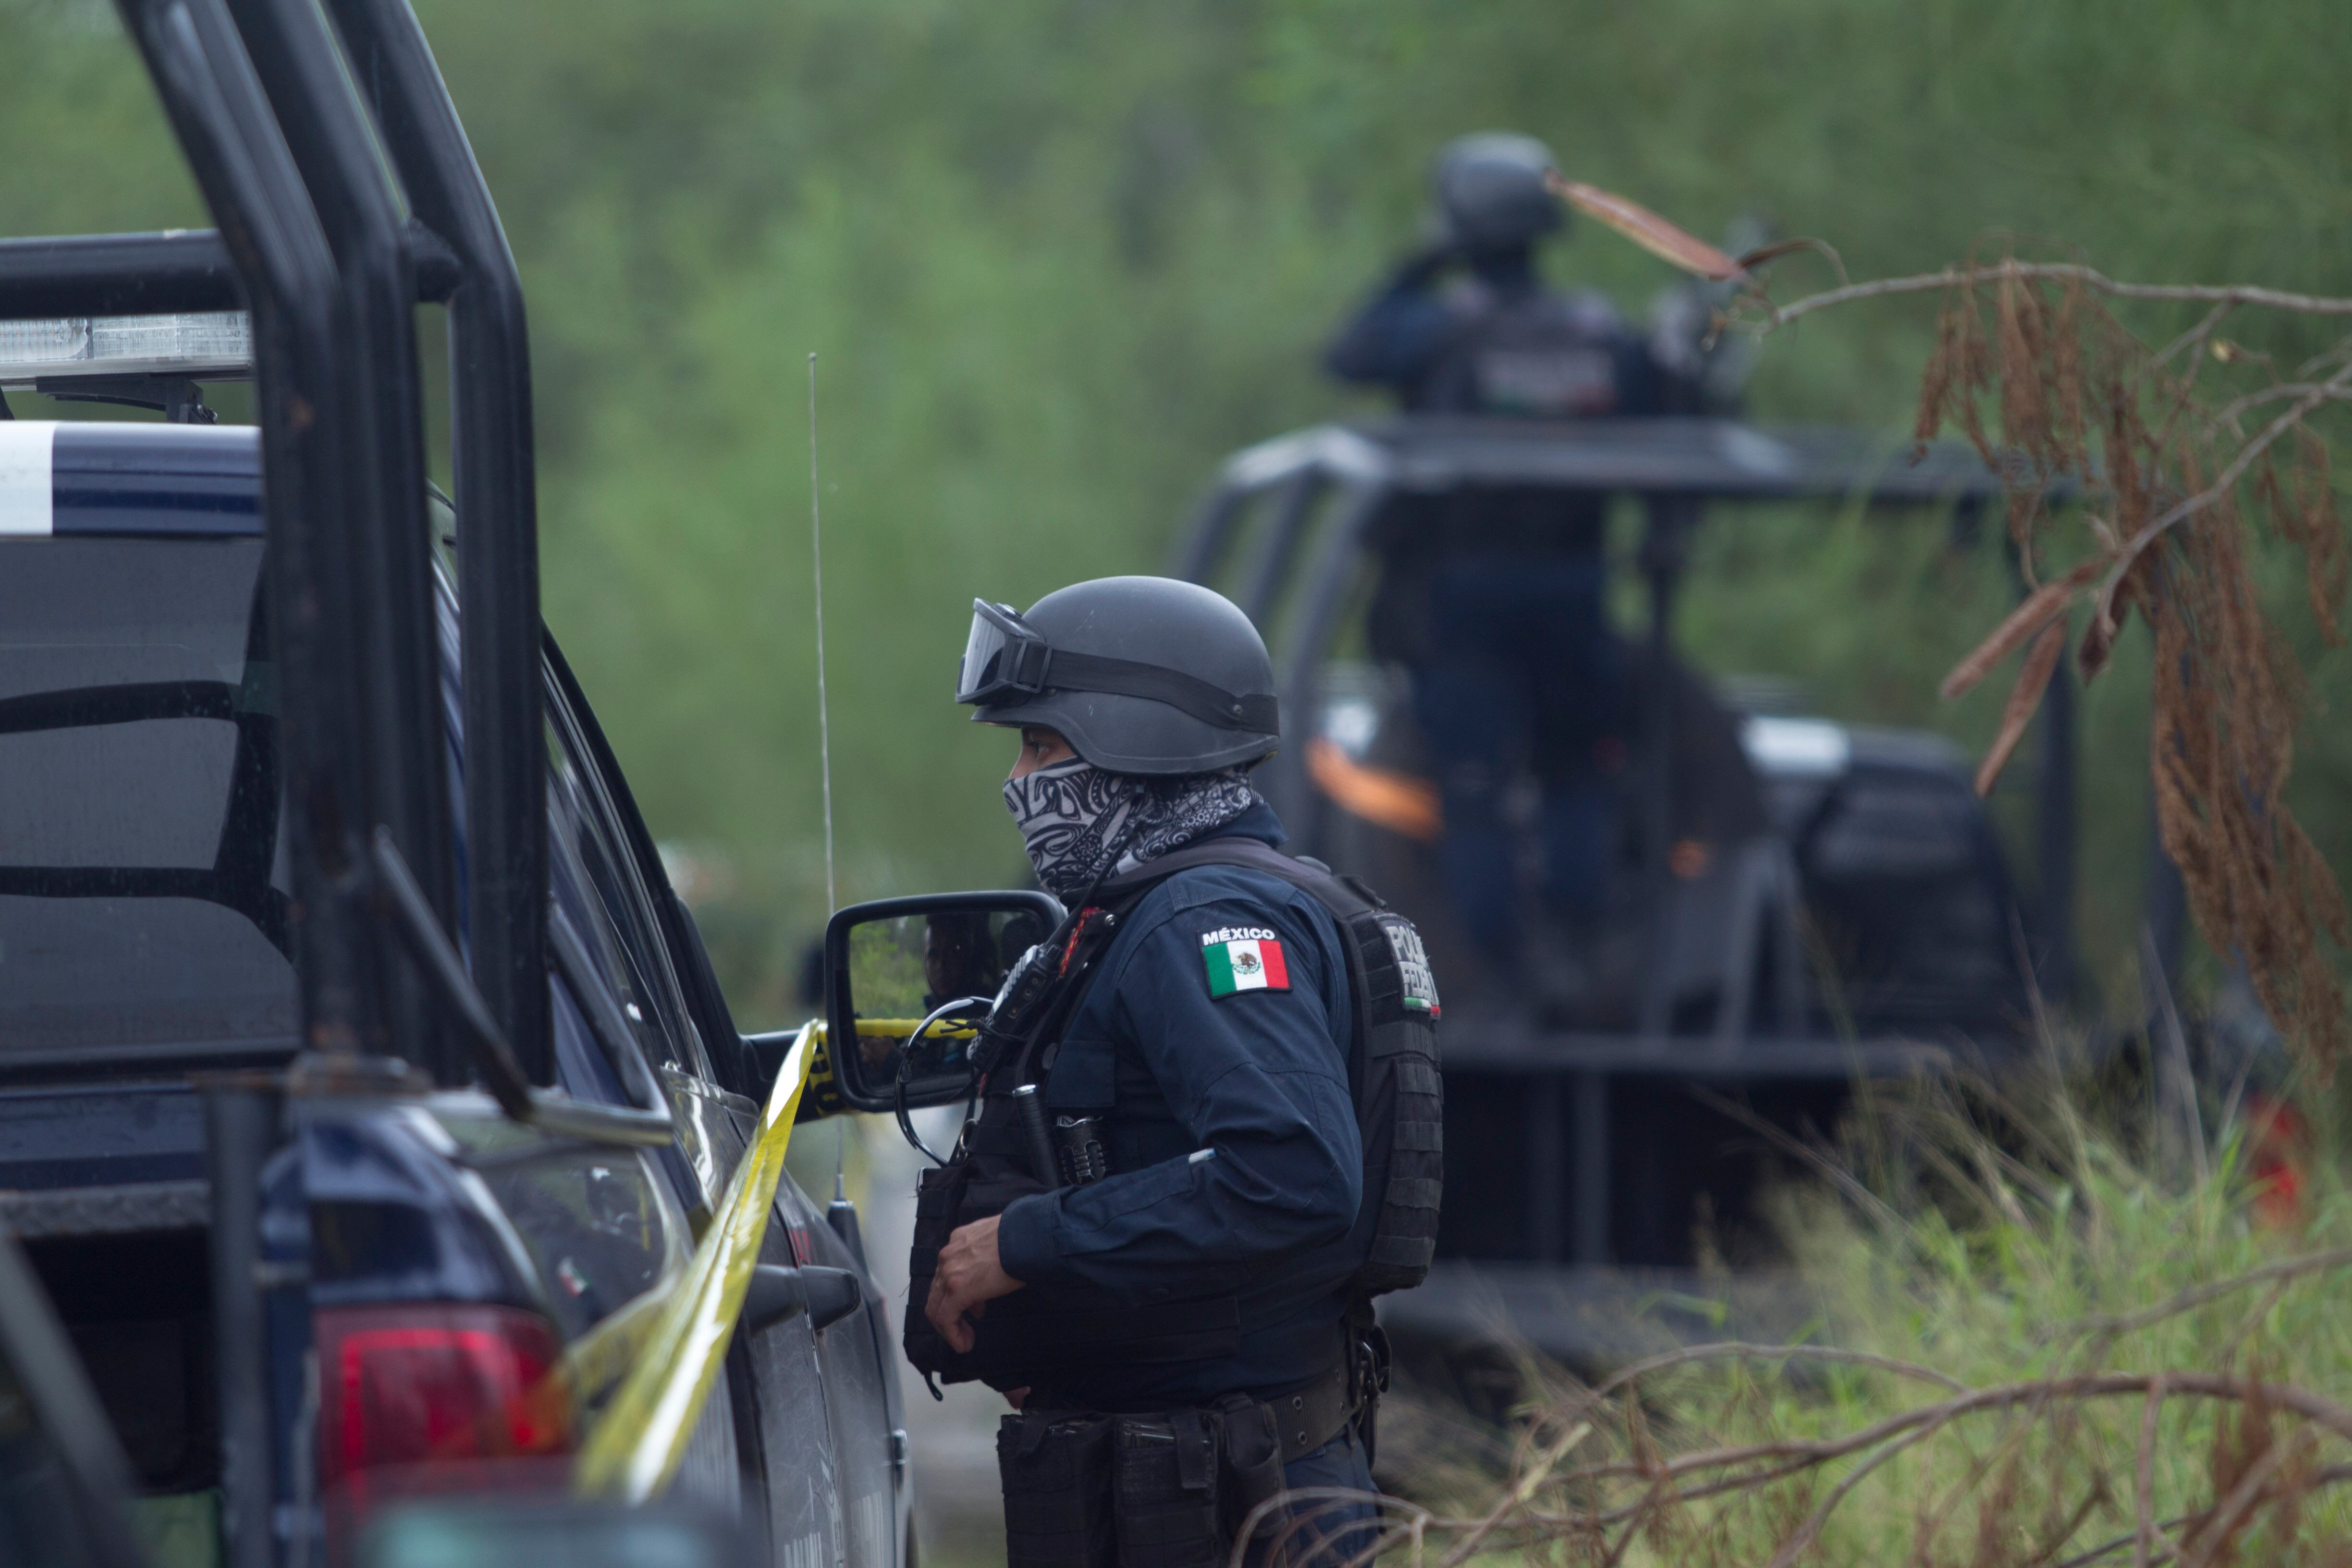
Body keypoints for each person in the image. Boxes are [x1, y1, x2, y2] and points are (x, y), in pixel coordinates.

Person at [909, 576, 1443, 1568]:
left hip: (1227, 1507)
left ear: (1133, 744)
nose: (1020, 783)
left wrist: (1026, 1243)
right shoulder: (1182, 906)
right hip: (1203, 1487)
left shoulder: (1202, 921)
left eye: (1042, 748)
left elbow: (1289, 1174)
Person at [1324, 132, 1657, 980]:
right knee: (1577, 771)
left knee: (1472, 788)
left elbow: (1350, 352)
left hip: (1462, 595)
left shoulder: (1436, 329)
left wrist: (1417, 265)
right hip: (1575, 588)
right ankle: (1585, 951)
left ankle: (1501, 977)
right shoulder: (1598, 336)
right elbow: (1670, 404)